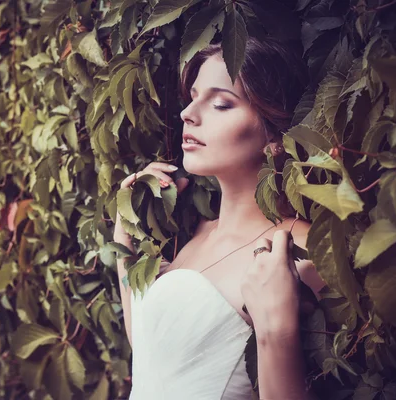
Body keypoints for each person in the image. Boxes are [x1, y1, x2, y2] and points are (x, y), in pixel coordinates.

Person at [114, 37, 327, 399]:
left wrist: (278, 334)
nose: (188, 113)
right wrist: (125, 229)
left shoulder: (301, 249)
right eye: (193, 96)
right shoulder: (195, 235)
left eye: (220, 103)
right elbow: (154, 360)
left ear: (275, 136)